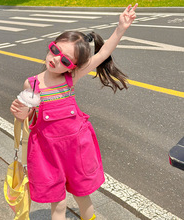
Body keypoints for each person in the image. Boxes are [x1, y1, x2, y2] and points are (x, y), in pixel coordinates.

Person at [10, 4, 138, 220]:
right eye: (55, 50)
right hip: (48, 153)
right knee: (58, 204)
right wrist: (20, 114)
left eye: (66, 60)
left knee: (83, 195)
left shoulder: (71, 79)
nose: (56, 59)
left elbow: (104, 52)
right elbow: (28, 118)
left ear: (72, 67)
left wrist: (121, 28)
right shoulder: (31, 85)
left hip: (76, 149)